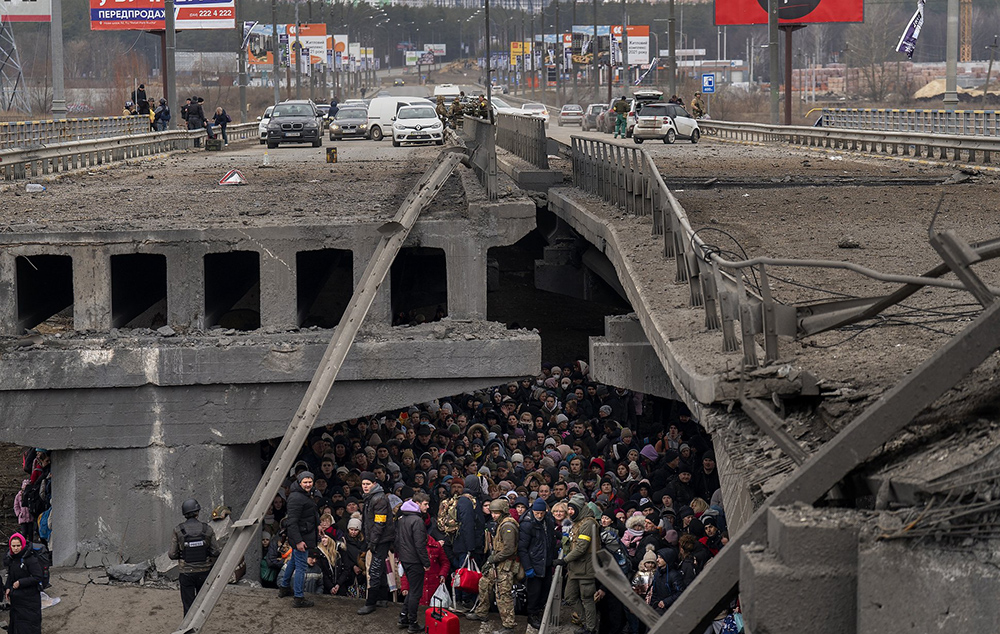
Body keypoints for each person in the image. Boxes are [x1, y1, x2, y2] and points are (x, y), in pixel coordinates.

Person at [466, 498, 518, 630]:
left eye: (496, 513)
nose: (493, 515)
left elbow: (509, 550)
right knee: (484, 583)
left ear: (503, 512)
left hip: (505, 565)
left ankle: (509, 624)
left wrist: (493, 559)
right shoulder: (500, 524)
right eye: (492, 513)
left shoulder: (508, 526)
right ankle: (481, 612)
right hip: (497, 563)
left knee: (503, 594)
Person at [168, 498, 221, 616]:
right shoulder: (207, 529)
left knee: (188, 605)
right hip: (204, 571)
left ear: (184, 513)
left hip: (186, 573)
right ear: (197, 512)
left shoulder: (178, 530)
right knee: (202, 603)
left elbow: (172, 555)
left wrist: (183, 555)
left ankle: (187, 628)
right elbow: (216, 551)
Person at [554, 496, 599, 634]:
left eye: (572, 509)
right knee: (569, 596)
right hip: (575, 568)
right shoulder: (577, 522)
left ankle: (590, 628)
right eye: (569, 509)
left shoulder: (588, 524)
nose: (570, 512)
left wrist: (565, 560)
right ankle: (586, 622)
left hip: (586, 568)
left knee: (587, 598)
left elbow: (581, 548)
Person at [277, 471, 320, 608]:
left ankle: (284, 587)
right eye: (305, 482)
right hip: (301, 537)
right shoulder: (296, 498)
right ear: (300, 482)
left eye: (310, 481)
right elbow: (292, 522)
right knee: (301, 567)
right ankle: (299, 597)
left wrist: (318, 525)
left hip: (304, 534)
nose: (308, 484)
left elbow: (312, 513)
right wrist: (298, 541)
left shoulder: (305, 494)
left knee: (294, 562)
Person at [358, 470, 395, 615]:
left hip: (380, 539)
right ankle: (382, 598)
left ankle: (370, 603)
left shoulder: (378, 499)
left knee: (374, 569)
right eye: (363, 484)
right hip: (379, 538)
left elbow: (379, 523)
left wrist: (372, 541)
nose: (365, 486)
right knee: (380, 567)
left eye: (368, 484)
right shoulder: (372, 497)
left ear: (374, 483)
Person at [395, 491, 431, 633]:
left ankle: (403, 617)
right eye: (425, 504)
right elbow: (420, 545)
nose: (427, 507)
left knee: (412, 590)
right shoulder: (417, 521)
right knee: (416, 592)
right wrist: (426, 562)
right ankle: (412, 623)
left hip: (405, 558)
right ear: (417, 504)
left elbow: (398, 540)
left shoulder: (402, 518)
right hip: (415, 560)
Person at [518, 497, 556, 629]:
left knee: (544, 591)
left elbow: (550, 540)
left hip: (545, 561)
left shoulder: (548, 521)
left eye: (541, 513)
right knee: (534, 593)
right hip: (534, 563)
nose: (539, 515)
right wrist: (528, 567)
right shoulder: (527, 524)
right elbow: (522, 548)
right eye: (537, 513)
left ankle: (539, 612)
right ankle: (532, 615)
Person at [4, 533, 42, 634]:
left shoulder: (30, 559)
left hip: (30, 599)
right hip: (17, 600)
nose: (16, 548)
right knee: (16, 625)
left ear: (23, 545)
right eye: (13, 546)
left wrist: (21, 582)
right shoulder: (12, 559)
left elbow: (38, 577)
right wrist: (7, 587)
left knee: (29, 626)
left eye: (18, 545)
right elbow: (10, 575)